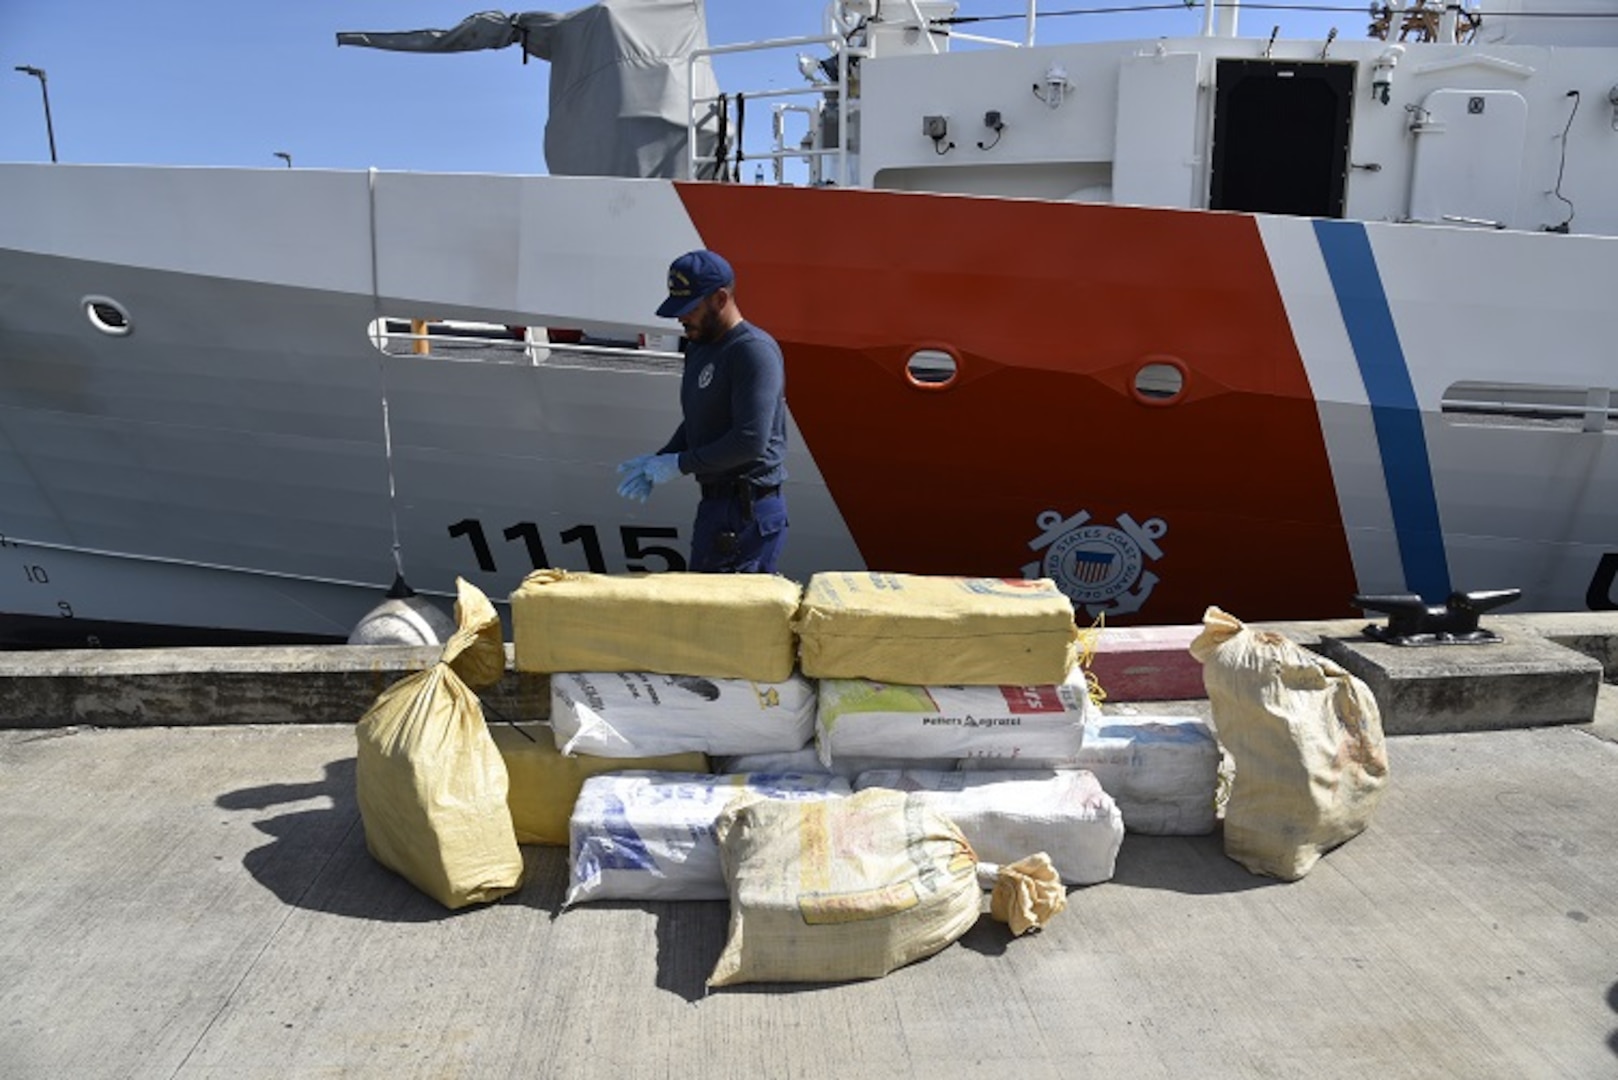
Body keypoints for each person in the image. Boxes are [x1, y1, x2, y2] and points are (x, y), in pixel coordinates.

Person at [616, 249, 789, 573]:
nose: (681, 318)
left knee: (734, 620)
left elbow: (749, 441)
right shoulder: (699, 347)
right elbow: (700, 420)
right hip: (716, 506)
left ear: (720, 299)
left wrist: (678, 464)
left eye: (690, 309)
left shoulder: (752, 352)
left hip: (748, 511)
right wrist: (660, 458)